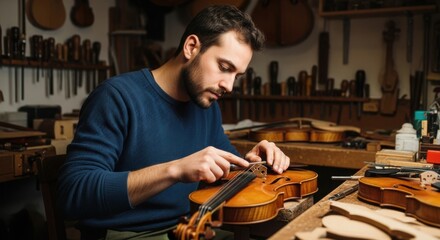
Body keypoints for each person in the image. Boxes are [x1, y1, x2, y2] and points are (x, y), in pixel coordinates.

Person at [57, 4, 290, 239]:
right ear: (191, 47)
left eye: (236, 76)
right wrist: (175, 169)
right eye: (223, 67)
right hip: (129, 234)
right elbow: (73, 194)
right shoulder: (116, 97)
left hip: (189, 228)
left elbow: (223, 170)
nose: (229, 86)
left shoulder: (207, 106)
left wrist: (251, 162)